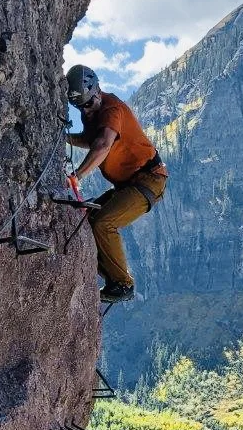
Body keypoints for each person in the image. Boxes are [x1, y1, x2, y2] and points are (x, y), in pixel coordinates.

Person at [65, 64, 168, 302]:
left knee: (103, 222)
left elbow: (102, 145)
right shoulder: (92, 110)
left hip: (149, 180)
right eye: (80, 107)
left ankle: (122, 284)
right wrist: (64, 138)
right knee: (89, 219)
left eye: (88, 105)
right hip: (129, 183)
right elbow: (90, 139)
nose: (86, 112)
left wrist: (77, 176)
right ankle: (110, 276)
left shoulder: (112, 110)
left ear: (98, 91)